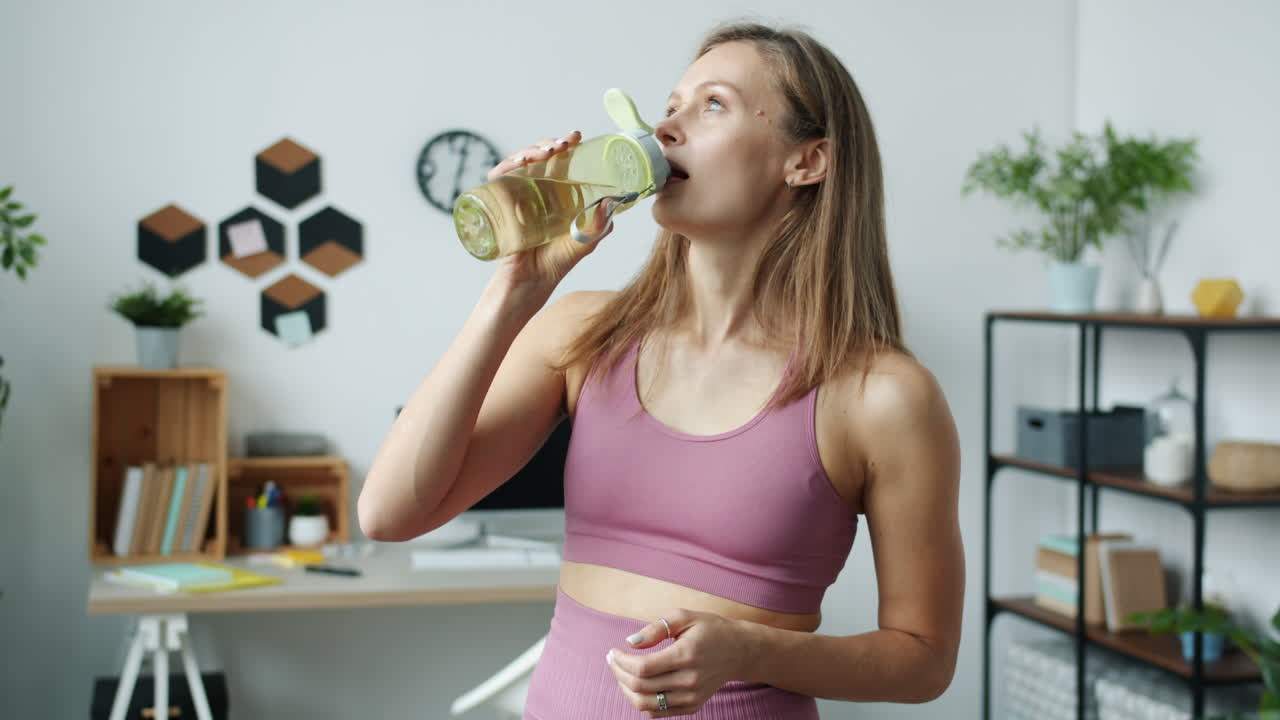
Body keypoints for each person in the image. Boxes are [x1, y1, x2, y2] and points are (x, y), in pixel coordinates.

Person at [361, 20, 963, 719]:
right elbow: (388, 513)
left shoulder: (882, 396)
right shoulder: (584, 334)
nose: (667, 127)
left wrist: (750, 651)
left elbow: (923, 660)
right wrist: (515, 290)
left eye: (713, 104)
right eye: (670, 106)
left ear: (807, 161)